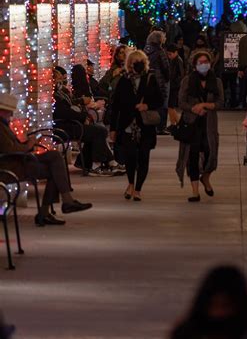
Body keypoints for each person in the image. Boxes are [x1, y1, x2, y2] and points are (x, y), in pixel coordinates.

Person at [0, 92, 92, 225]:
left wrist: (26, 143)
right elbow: (11, 150)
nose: (11, 115)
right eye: (9, 112)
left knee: (54, 157)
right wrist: (29, 144)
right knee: (54, 171)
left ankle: (63, 203)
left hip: (18, 160)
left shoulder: (3, 125)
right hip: (11, 166)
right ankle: (55, 207)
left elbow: (13, 147)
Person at [109, 50, 163, 202]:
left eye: (140, 62)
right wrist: (113, 128)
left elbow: (159, 99)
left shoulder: (150, 79)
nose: (138, 65)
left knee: (144, 156)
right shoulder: (124, 81)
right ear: (129, 64)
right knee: (130, 156)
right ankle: (131, 183)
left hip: (145, 125)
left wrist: (147, 105)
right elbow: (116, 106)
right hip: (127, 125)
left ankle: (138, 188)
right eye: (134, 62)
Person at [53, 67, 120, 175]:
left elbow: (71, 106)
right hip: (64, 127)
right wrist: (83, 117)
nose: (62, 82)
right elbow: (65, 112)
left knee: (96, 131)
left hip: (71, 124)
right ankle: (98, 164)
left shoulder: (62, 93)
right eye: (59, 79)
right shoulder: (54, 97)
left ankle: (95, 162)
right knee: (98, 132)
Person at [177, 51, 224, 201]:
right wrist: (193, 108)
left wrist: (205, 105)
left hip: (209, 123)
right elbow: (181, 102)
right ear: (195, 65)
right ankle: (195, 191)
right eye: (200, 62)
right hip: (192, 123)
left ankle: (206, 177)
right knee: (192, 155)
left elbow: (220, 102)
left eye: (206, 62)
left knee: (211, 153)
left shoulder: (216, 82)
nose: (204, 65)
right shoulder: (187, 81)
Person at [144, 30, 170, 135]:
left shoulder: (145, 50)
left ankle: (150, 124)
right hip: (160, 80)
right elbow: (165, 67)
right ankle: (161, 127)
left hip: (148, 79)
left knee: (150, 103)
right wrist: (167, 78)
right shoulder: (160, 51)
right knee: (162, 103)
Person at [166, 43, 185, 126]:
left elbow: (181, 75)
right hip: (173, 85)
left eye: (170, 54)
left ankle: (175, 123)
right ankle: (175, 123)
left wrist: (174, 83)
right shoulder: (174, 60)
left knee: (171, 106)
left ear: (176, 52)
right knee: (170, 106)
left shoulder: (178, 60)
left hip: (174, 86)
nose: (169, 56)